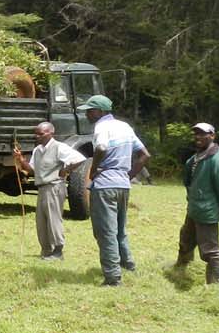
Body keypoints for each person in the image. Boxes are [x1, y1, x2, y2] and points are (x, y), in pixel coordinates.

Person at [80, 95, 147, 286]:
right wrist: (129, 175)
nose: (87, 114)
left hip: (104, 186)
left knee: (105, 232)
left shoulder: (102, 127)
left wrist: (93, 170)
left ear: (100, 112)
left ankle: (112, 278)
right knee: (119, 229)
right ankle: (128, 265)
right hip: (123, 186)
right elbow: (144, 155)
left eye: (90, 111)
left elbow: (101, 147)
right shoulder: (125, 127)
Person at [177, 122, 219, 284]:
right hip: (194, 208)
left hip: (207, 212)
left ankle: (215, 284)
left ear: (212, 136)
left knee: (210, 250)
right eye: (196, 134)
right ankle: (181, 267)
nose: (198, 137)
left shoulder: (217, 160)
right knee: (186, 238)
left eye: (203, 134)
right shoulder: (197, 157)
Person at [25, 121, 87, 260]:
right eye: (36, 134)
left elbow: (80, 159)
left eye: (41, 134)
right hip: (42, 188)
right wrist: (20, 160)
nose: (37, 136)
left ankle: (58, 251)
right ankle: (47, 250)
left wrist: (65, 170)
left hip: (54, 187)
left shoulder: (59, 147)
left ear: (51, 133)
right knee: (41, 221)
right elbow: (31, 170)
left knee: (53, 220)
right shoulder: (38, 150)